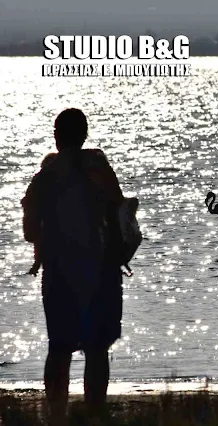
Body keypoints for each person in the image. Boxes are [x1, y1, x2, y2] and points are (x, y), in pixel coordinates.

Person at [21, 108, 125, 424]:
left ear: (56, 135)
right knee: (97, 350)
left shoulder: (43, 179)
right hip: (100, 273)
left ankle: (56, 416)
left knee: (59, 348)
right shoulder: (100, 173)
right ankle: (95, 416)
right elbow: (119, 211)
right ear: (84, 135)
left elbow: (28, 232)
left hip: (58, 274)